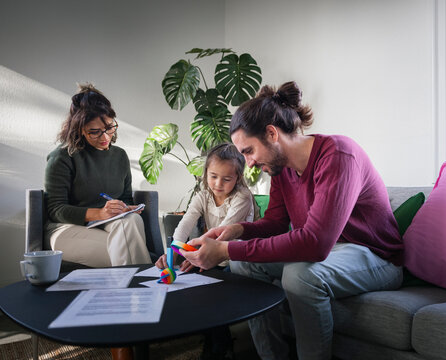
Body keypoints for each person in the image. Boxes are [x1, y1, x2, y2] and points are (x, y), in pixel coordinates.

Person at [176, 81, 404, 360]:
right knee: (242, 263)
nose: (248, 163)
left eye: (248, 151)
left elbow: (315, 243)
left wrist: (225, 250)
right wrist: (234, 231)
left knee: (299, 277)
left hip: (376, 257)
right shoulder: (280, 169)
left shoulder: (338, 155)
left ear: (271, 133)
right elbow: (274, 223)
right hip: (332, 253)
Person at [155, 142, 256, 360]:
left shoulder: (243, 197)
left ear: (237, 178)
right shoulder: (203, 195)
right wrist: (172, 250)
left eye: (226, 179)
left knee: (212, 294)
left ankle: (220, 346)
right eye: (213, 176)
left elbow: (222, 234)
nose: (218, 184)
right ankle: (209, 338)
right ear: (206, 174)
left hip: (235, 258)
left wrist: (194, 252)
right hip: (211, 254)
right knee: (186, 285)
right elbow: (185, 224)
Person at [44, 83, 151, 268]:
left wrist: (124, 208)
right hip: (67, 229)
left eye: (110, 128)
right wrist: (100, 213)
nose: (105, 137)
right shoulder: (62, 157)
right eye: (94, 132)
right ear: (79, 129)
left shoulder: (119, 156)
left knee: (131, 220)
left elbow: (125, 197)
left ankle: (130, 291)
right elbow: (56, 209)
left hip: (110, 226)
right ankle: (145, 286)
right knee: (125, 248)